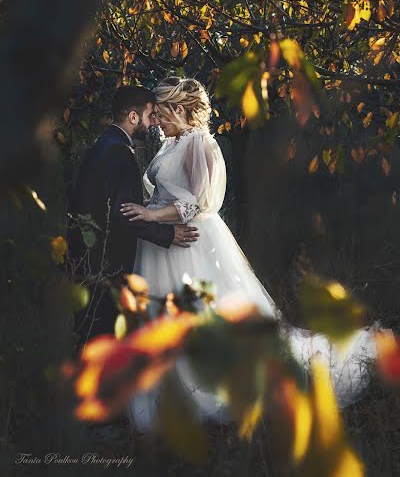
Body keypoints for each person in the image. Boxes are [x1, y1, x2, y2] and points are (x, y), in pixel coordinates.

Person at [121, 77, 383, 432]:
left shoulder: (200, 142)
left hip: (192, 240)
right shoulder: (171, 143)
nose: (156, 121)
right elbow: (167, 190)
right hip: (162, 243)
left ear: (179, 110)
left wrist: (153, 214)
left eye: (162, 114)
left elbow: (197, 201)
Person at [67, 85, 199, 349]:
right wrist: (169, 234)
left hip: (87, 260)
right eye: (151, 116)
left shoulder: (104, 144)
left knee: (91, 337)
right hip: (105, 265)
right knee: (101, 339)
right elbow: (124, 214)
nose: (154, 123)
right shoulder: (120, 153)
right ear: (133, 117)